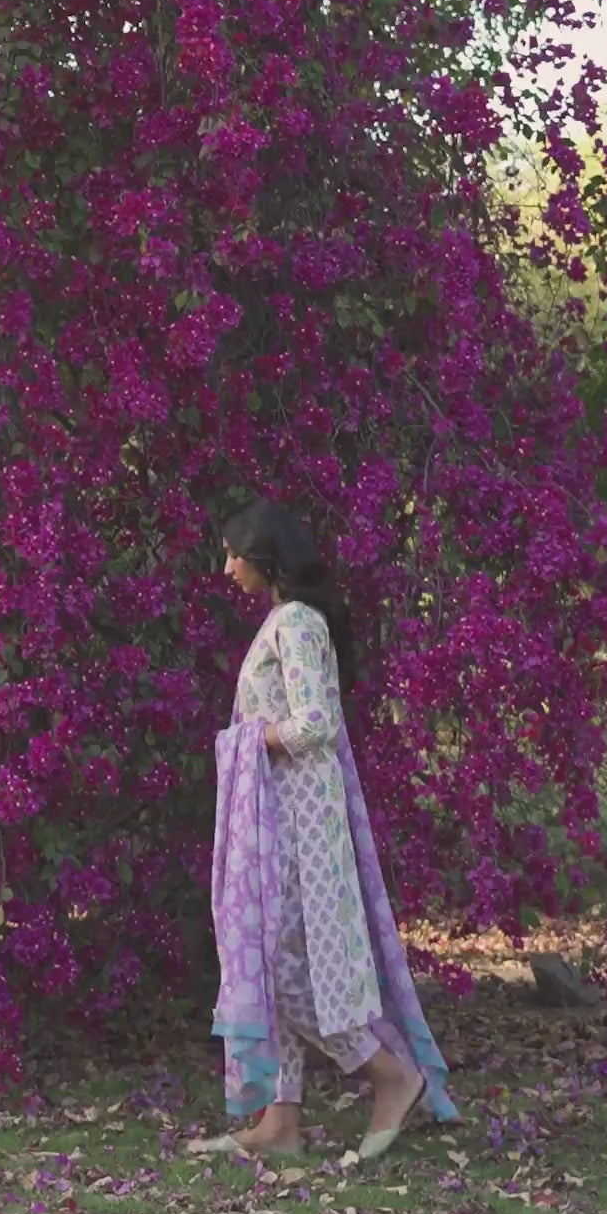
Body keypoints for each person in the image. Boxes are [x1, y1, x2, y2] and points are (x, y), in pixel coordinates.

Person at [207, 496, 457, 1161]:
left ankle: (391, 1074)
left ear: (264, 556)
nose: (226, 568)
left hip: (298, 823)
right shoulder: (281, 621)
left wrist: (248, 740)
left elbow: (316, 722)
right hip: (277, 817)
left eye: (234, 554)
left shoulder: (296, 622)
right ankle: (280, 1123)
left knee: (286, 966)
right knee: (270, 957)